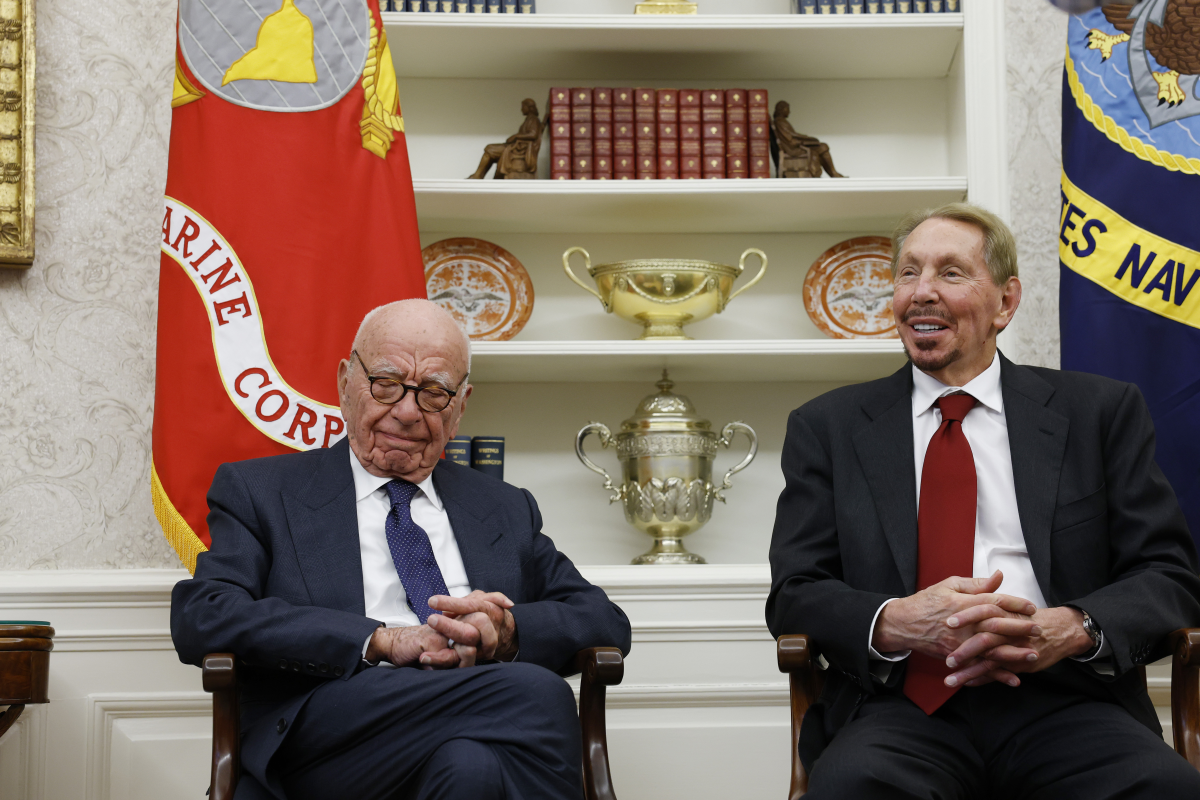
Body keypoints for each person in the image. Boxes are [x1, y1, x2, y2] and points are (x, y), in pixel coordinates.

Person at [766, 202, 1200, 798]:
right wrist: (898, 622)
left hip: (1066, 700)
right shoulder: (829, 427)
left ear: (1006, 301)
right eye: (908, 273)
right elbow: (795, 594)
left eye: (950, 273)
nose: (922, 293)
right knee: (852, 787)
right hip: (902, 707)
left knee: (1161, 787)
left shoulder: (1098, 412)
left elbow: (1169, 576)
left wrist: (1070, 628)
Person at [172, 299, 632, 800]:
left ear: (460, 408)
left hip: (466, 723)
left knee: (471, 767)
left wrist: (505, 631)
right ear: (346, 383)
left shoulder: (502, 507)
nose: (408, 411)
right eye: (386, 383)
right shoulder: (262, 490)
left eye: (434, 393)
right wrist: (381, 641)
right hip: (327, 735)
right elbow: (204, 614)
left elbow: (604, 620)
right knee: (539, 693)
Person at [771, 100, 845, 179]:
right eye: (787, 108)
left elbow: (793, 135)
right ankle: (833, 173)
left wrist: (808, 139)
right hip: (793, 149)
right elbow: (792, 137)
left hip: (794, 146)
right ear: (782, 109)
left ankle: (833, 173)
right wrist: (807, 138)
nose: (789, 111)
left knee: (822, 146)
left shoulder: (781, 121)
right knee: (823, 147)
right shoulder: (780, 121)